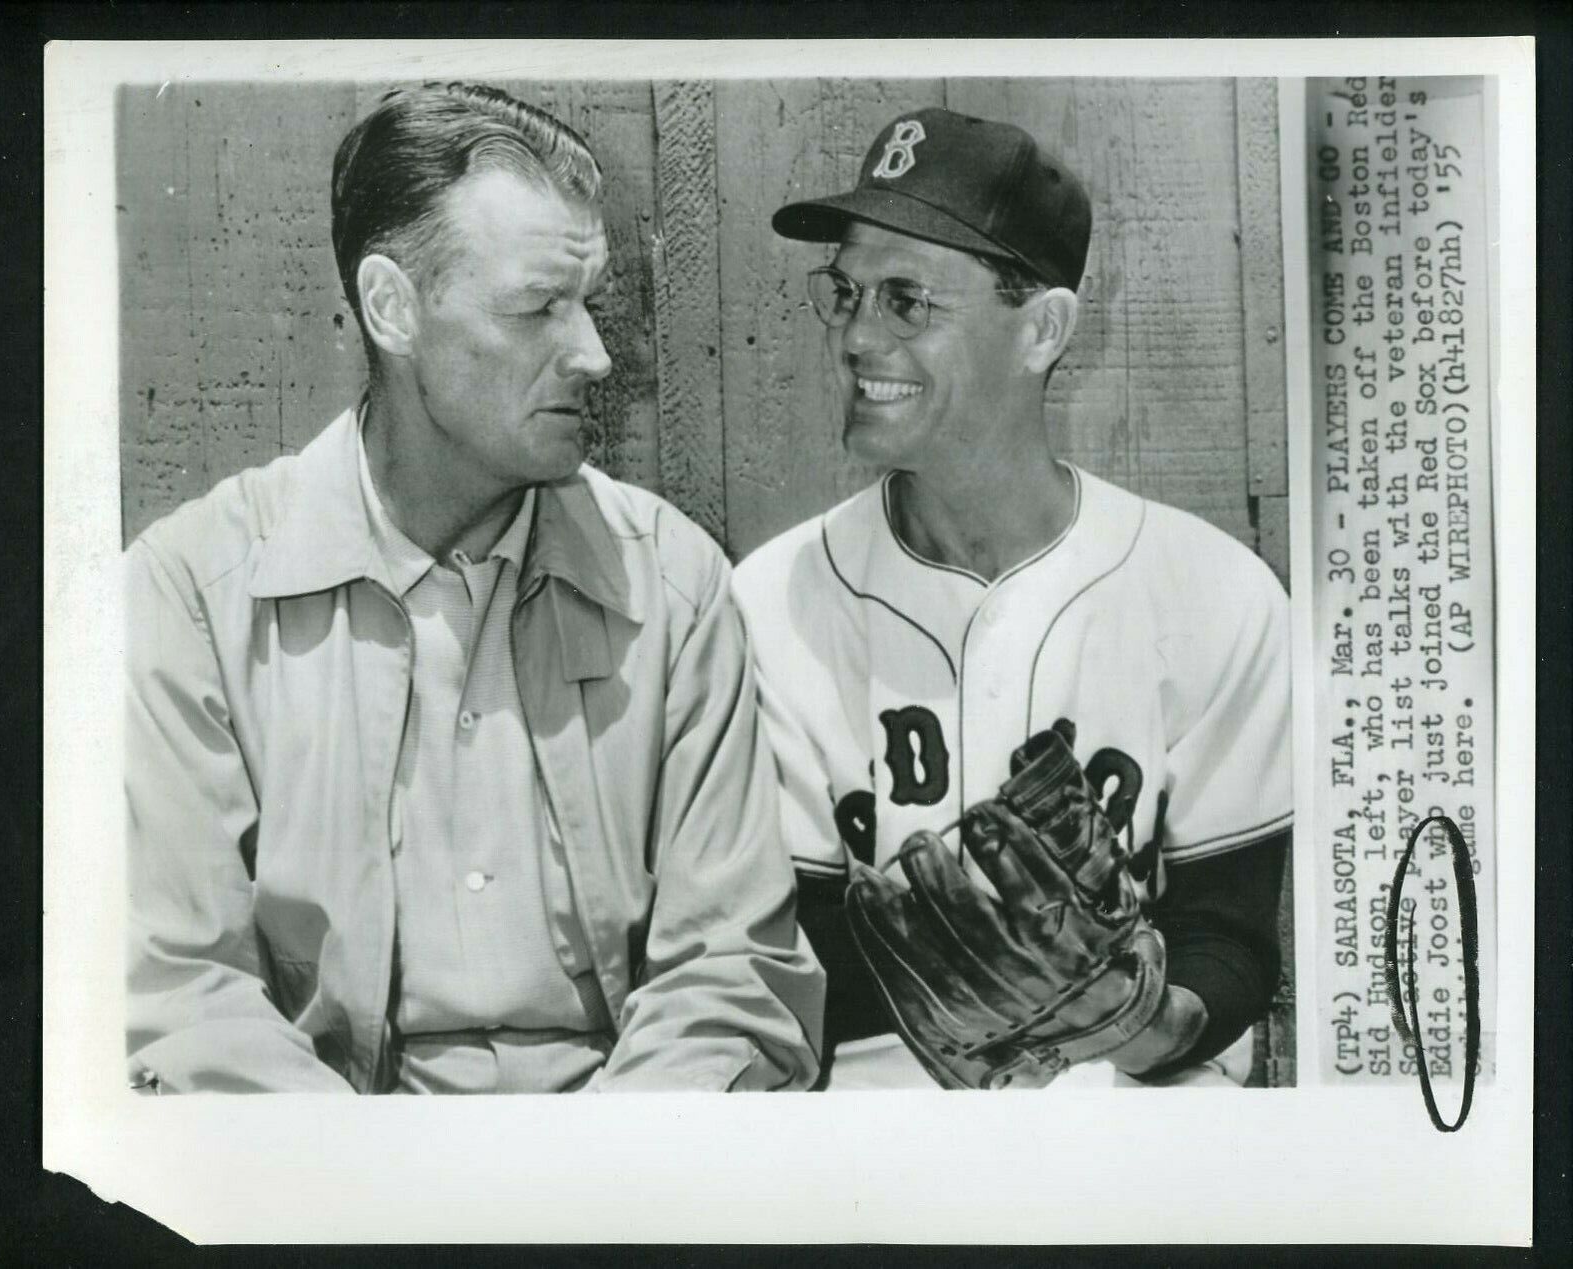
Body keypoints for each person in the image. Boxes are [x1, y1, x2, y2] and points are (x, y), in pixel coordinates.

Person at [125, 82, 823, 1094]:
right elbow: (182, 998)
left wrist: (601, 1204)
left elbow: (730, 978)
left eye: (592, 306)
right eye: (539, 307)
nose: (593, 354)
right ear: (392, 308)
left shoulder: (673, 581)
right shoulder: (189, 592)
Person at [732, 107, 1291, 1089]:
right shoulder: (768, 600)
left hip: (1136, 1142)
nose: (857, 336)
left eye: (907, 300)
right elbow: (781, 949)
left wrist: (1150, 1022)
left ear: (1041, 331)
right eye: (846, 292)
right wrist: (988, 971)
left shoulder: (1212, 592)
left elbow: (1227, 936)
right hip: (868, 1144)